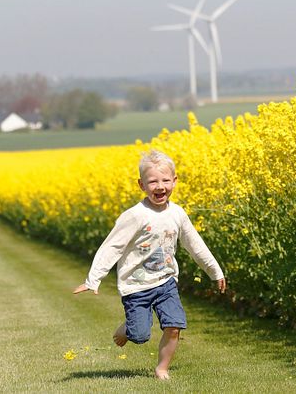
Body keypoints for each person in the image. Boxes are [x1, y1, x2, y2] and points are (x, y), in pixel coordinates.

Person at [73, 149, 226, 380]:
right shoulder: (135, 216)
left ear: (174, 181)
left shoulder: (177, 214)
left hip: (166, 282)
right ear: (141, 185)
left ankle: (162, 369)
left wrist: (215, 271)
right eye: (152, 181)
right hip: (136, 286)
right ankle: (128, 328)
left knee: (174, 326)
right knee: (140, 335)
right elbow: (112, 247)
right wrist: (93, 279)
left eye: (165, 180)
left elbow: (195, 245)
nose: (160, 186)